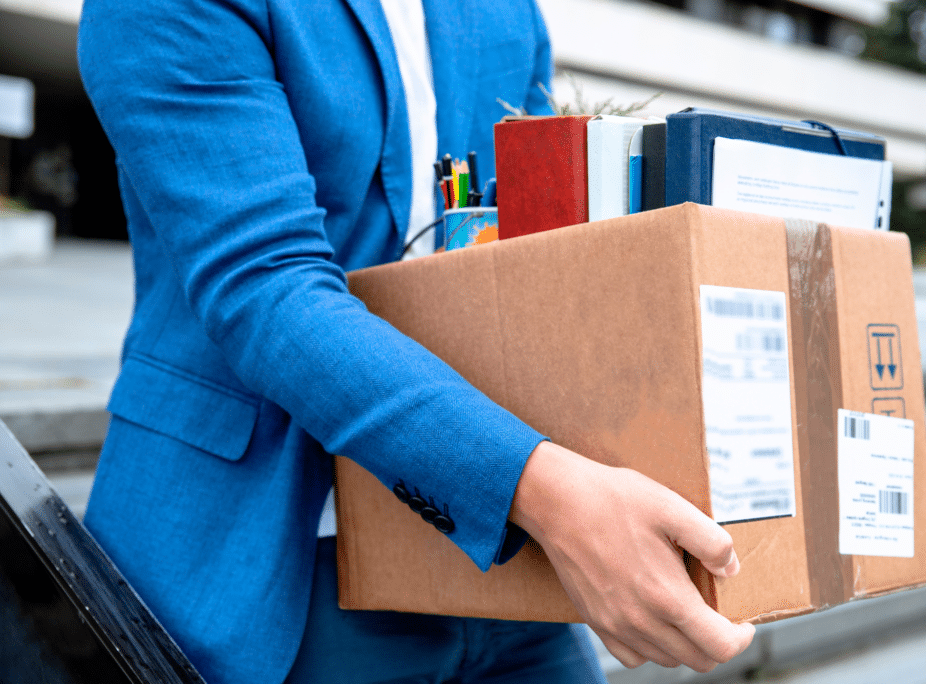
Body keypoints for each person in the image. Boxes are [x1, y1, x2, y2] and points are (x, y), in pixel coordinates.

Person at [76, 0, 756, 682]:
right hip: (271, 551)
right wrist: (555, 498)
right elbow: (266, 289)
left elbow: (529, 266)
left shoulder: (506, 14)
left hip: (508, 562)